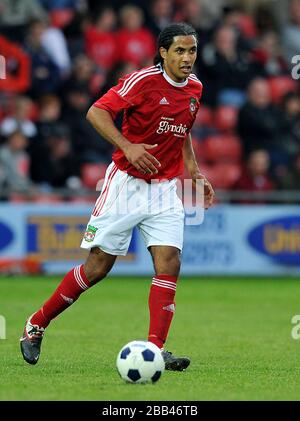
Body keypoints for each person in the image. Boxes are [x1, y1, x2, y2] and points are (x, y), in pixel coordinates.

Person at [20, 22, 214, 371]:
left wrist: (195, 172)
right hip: (127, 184)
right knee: (97, 268)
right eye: (180, 51)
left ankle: (155, 350)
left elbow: (183, 129)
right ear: (163, 53)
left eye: (193, 50)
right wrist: (128, 145)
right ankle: (36, 324)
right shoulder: (142, 82)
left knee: (170, 262)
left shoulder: (196, 88)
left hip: (166, 189)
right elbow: (96, 111)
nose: (188, 58)